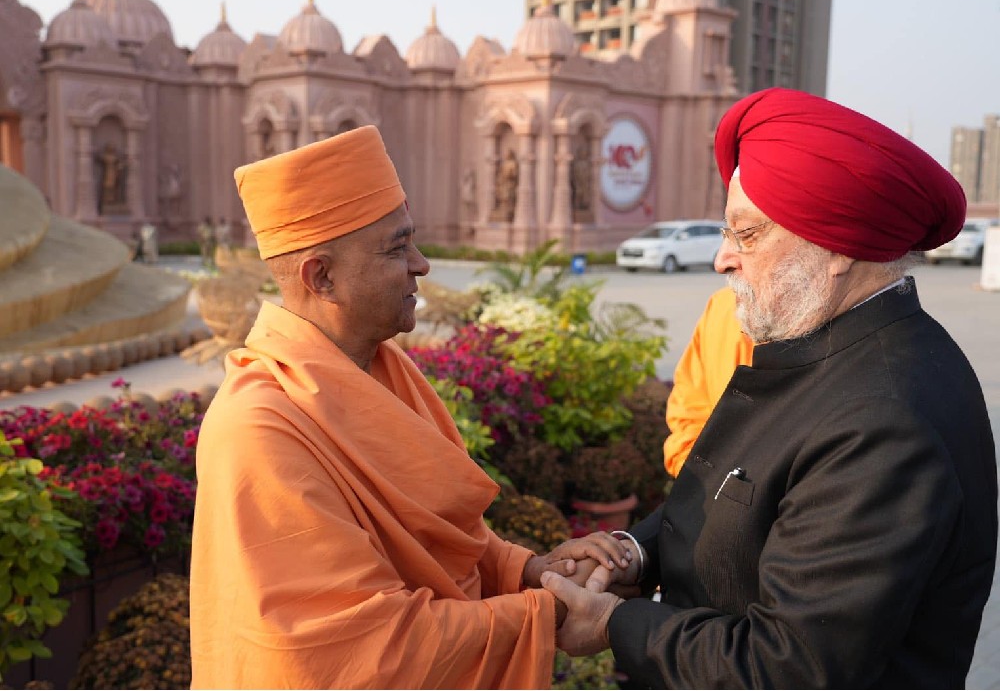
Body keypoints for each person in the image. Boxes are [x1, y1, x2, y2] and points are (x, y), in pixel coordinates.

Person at [540, 87, 998, 688]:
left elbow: (790, 667)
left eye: (748, 235)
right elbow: (745, 496)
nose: (722, 258)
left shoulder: (885, 420)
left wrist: (615, 625)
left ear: (837, 248)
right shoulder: (829, 348)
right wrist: (633, 551)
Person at [188, 125, 630, 689]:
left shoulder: (386, 370)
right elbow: (363, 650)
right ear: (321, 276)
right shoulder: (259, 427)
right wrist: (556, 613)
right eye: (397, 248)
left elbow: (446, 545)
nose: (421, 265)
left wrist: (531, 572)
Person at [662, 286, 752, 477]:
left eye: (748, 252)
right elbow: (689, 419)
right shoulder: (723, 306)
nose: (721, 262)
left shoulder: (827, 324)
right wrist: (706, 481)